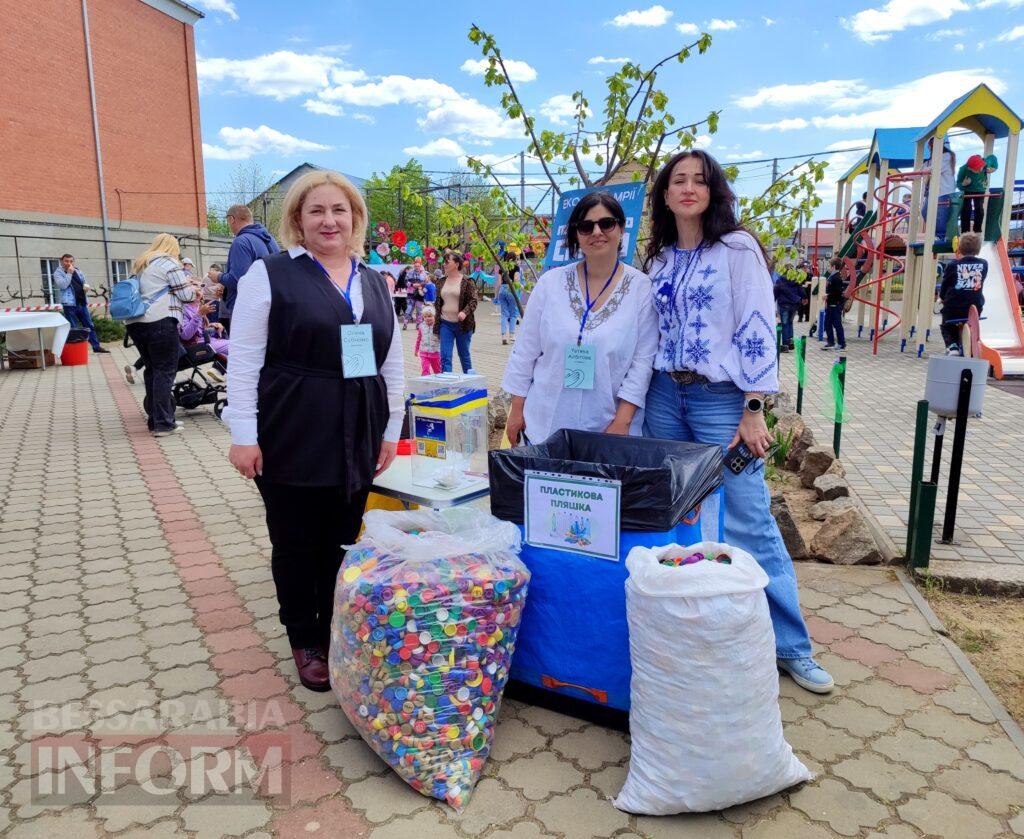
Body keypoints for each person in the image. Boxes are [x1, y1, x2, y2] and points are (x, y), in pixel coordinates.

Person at [641, 149, 834, 694]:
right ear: (664, 194)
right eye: (677, 180)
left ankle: (792, 646)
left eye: (699, 180)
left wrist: (754, 407)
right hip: (663, 397)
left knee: (749, 517)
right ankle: (695, 631)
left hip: (720, 400)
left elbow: (757, 324)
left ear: (714, 190)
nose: (687, 188)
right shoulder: (658, 260)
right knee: (677, 516)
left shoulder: (736, 249)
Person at [224, 170, 404, 692]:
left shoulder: (373, 280)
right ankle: (305, 636)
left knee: (343, 537)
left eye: (339, 210)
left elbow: (391, 362)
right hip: (293, 424)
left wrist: (390, 429)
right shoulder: (270, 275)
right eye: (317, 211)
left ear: (355, 220)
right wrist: (244, 433)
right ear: (298, 222)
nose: (329, 220)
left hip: (360, 426)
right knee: (297, 538)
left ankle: (337, 625)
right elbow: (243, 362)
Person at [503, 192, 657, 446]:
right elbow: (525, 350)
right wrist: (516, 409)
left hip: (608, 428)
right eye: (586, 226)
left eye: (606, 223)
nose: (597, 232)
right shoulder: (550, 284)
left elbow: (643, 362)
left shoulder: (641, 289)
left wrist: (623, 421)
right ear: (576, 234)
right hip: (543, 425)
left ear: (620, 229)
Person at [125, 234, 195, 435]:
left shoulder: (141, 264)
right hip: (160, 321)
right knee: (165, 371)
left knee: (152, 370)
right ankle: (164, 424)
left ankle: (155, 420)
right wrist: (194, 291)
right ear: (172, 248)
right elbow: (186, 295)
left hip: (135, 323)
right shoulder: (169, 263)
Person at [207, 205, 280, 334]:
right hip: (270, 307)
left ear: (231, 219)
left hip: (247, 312)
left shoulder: (241, 242)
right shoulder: (270, 240)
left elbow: (239, 280)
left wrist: (218, 276)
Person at [939, 232, 987, 356]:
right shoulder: (984, 264)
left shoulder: (953, 265)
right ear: (978, 249)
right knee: (971, 318)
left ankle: (952, 345)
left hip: (953, 307)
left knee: (947, 324)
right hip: (975, 308)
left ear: (959, 249)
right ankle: (972, 342)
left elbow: (946, 284)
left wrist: (942, 297)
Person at [52, 254, 108, 353]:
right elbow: (63, 285)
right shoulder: (58, 273)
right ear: (61, 261)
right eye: (66, 261)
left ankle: (96, 347)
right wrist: (69, 273)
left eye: (71, 261)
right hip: (69, 305)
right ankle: (78, 350)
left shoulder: (78, 270)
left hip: (82, 303)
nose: (69, 263)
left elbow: (84, 283)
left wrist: (86, 288)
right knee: (74, 328)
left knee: (89, 325)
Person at [434, 251, 477, 373]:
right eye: (444, 262)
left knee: (464, 355)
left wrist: (464, 312)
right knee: (445, 357)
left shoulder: (467, 281)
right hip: (445, 323)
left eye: (447, 262)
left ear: (457, 264)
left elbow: (473, 300)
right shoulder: (441, 281)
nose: (444, 264)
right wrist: (435, 324)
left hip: (462, 325)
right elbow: (438, 303)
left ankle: (470, 383)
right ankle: (448, 385)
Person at [923, 137, 956, 241]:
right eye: (930, 145)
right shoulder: (930, 160)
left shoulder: (947, 156)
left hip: (944, 191)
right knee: (925, 211)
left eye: (933, 144)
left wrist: (923, 171)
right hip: (932, 191)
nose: (931, 147)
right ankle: (936, 234)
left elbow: (936, 169)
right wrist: (907, 177)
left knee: (941, 214)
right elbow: (921, 170)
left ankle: (942, 237)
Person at [957, 154, 998, 235]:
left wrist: (993, 169)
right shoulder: (963, 169)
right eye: (977, 170)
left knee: (979, 208)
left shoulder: (985, 163)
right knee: (966, 209)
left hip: (980, 189)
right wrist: (963, 184)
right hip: (967, 190)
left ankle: (977, 231)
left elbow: (993, 158)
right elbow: (958, 184)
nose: (980, 171)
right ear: (969, 168)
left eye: (981, 168)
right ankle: (965, 231)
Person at [773, 265, 803, 352]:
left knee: (785, 324)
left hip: (784, 304)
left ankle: (785, 345)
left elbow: (776, 292)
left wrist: (773, 301)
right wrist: (803, 298)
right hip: (794, 305)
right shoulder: (796, 279)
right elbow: (801, 290)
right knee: (790, 323)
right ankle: (790, 341)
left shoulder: (780, 280)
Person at [821, 257, 847, 351]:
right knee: (827, 323)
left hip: (835, 305)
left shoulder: (837, 278)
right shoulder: (832, 276)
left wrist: (828, 295)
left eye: (829, 266)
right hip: (831, 304)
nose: (828, 267)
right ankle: (830, 341)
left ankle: (842, 343)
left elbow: (838, 292)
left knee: (837, 324)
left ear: (834, 267)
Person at [494, 263, 519, 345]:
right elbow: (516, 280)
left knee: (504, 314)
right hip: (511, 289)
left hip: (502, 290)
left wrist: (496, 296)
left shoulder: (502, 267)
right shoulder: (516, 267)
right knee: (513, 314)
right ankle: (512, 335)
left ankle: (504, 336)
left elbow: (499, 283)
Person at [415, 308, 442, 375]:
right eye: (425, 317)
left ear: (434, 316)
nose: (427, 318)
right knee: (425, 370)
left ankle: (439, 384)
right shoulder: (421, 326)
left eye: (430, 316)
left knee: (437, 371)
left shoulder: (438, 326)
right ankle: (425, 384)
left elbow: (443, 340)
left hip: (435, 353)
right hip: (424, 353)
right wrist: (416, 350)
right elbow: (419, 339)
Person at [405, 257, 427, 326]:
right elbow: (405, 281)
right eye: (415, 266)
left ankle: (418, 324)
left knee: (419, 310)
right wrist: (412, 284)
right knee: (409, 308)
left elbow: (426, 282)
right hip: (411, 293)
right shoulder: (410, 273)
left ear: (420, 266)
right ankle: (405, 323)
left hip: (419, 294)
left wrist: (420, 285)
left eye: (418, 266)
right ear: (413, 266)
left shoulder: (423, 274)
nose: (417, 267)